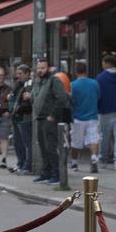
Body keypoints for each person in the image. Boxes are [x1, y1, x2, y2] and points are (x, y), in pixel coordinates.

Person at [31, 57, 67, 185]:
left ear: (48, 68)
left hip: (49, 119)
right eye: (39, 68)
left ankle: (56, 174)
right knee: (43, 147)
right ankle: (46, 173)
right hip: (40, 118)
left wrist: (52, 115)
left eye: (43, 68)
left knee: (50, 146)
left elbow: (62, 98)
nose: (40, 70)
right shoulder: (39, 82)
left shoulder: (54, 81)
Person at [69, 63, 101, 173]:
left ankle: (74, 163)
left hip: (77, 117)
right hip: (92, 116)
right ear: (86, 71)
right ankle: (94, 158)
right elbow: (98, 97)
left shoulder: (72, 85)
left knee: (76, 142)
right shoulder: (94, 83)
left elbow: (71, 101)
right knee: (94, 139)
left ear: (76, 72)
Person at [9, 62, 33, 175]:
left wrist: (19, 108)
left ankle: (27, 165)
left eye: (20, 73)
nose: (18, 76)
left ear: (27, 73)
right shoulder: (18, 85)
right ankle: (20, 162)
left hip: (25, 117)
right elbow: (13, 97)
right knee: (17, 142)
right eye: (17, 73)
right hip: (16, 117)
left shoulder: (30, 84)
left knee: (26, 143)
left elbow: (27, 102)